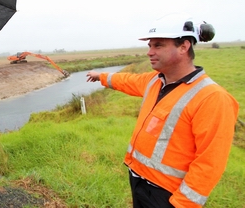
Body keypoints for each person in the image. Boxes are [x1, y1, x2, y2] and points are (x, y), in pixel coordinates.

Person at [86, 13, 239, 208]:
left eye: (158, 45)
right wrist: (100, 76)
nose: (150, 52)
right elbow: (127, 80)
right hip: (138, 179)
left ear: (184, 46)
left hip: (167, 195)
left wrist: (182, 204)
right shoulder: (155, 80)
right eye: (150, 46)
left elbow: (210, 163)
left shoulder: (213, 98)